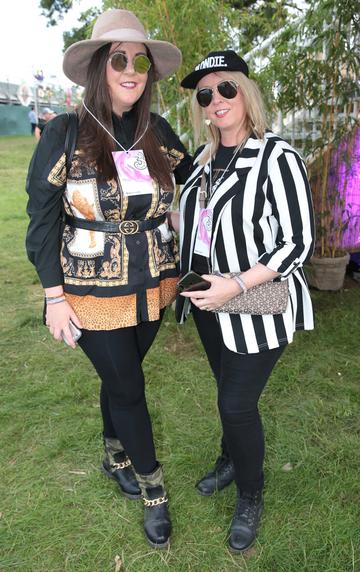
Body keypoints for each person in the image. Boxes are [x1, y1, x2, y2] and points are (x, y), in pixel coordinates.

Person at [25, 9, 191, 549]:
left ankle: (113, 451)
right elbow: (43, 218)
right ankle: (153, 491)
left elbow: (194, 184)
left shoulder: (156, 131)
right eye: (118, 58)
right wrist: (54, 297)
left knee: (122, 379)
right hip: (91, 290)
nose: (130, 68)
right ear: (99, 67)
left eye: (140, 59)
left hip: (154, 283)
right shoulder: (65, 132)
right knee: (128, 386)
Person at [175, 50, 315, 552]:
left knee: (236, 403)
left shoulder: (278, 156)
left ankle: (251, 494)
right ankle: (232, 458)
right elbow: (194, 221)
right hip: (209, 302)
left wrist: (235, 285)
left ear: (245, 92)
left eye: (225, 88)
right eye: (205, 94)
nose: (216, 101)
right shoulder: (202, 158)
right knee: (226, 392)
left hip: (254, 299)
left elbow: (298, 241)